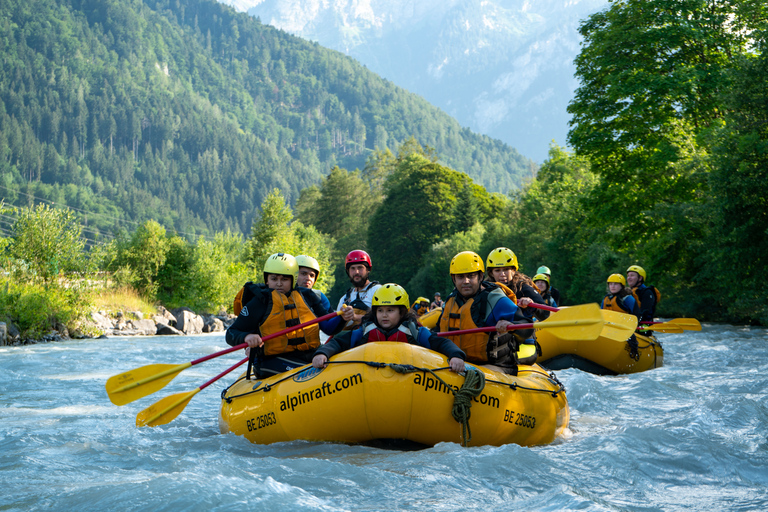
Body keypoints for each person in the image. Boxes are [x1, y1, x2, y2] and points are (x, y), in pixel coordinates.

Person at [226, 253, 353, 378]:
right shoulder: (260, 302)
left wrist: (342, 318)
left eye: (285, 279)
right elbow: (231, 333)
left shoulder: (308, 296)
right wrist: (246, 337)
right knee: (312, 373)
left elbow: (329, 328)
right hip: (272, 360)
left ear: (293, 279)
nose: (279, 283)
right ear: (266, 280)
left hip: (309, 353)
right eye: (274, 279)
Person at [313, 284, 465, 373]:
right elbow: (339, 342)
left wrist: (455, 355)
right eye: (380, 311)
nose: (384, 315)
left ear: (401, 312)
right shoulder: (365, 330)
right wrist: (322, 353)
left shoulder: (414, 331)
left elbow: (440, 342)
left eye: (390, 310)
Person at [434, 251, 536, 370]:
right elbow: (437, 332)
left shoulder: (495, 299)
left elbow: (527, 327)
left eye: (471, 276)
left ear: (480, 277)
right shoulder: (450, 301)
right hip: (456, 360)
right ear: (454, 279)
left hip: (494, 367)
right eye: (460, 277)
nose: (466, 281)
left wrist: (511, 325)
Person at [486, 248, 550, 322]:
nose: (502, 274)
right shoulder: (485, 289)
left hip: (521, 331)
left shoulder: (523, 288)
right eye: (497, 270)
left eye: (506, 269)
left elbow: (545, 314)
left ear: (513, 271)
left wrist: (532, 306)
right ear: (491, 273)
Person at [336, 250, 382, 329]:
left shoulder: (378, 291)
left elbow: (384, 318)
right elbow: (336, 326)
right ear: (348, 271)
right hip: (348, 338)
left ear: (368, 270)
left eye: (360, 268)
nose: (356, 272)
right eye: (352, 268)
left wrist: (355, 316)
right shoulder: (344, 299)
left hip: (371, 337)